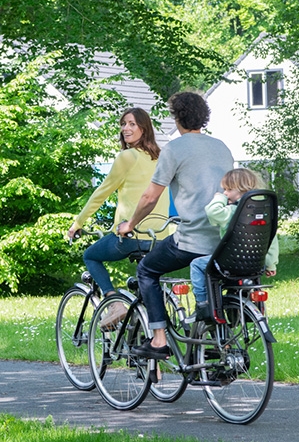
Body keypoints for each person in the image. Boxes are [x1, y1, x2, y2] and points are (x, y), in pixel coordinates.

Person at [117, 91, 233, 360]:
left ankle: (158, 340)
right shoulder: (221, 147)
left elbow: (149, 197)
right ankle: (216, 337)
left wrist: (130, 223)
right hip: (225, 240)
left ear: (177, 117)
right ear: (203, 116)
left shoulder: (174, 149)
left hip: (192, 239)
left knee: (146, 270)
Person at [67, 108, 173, 295]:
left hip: (132, 235)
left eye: (132, 124)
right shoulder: (161, 156)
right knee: (146, 282)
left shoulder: (127, 156)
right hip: (159, 236)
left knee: (90, 256)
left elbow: (102, 192)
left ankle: (113, 302)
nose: (125, 128)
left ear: (144, 128)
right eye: (123, 124)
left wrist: (78, 223)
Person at [189, 167, 279, 321]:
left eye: (228, 189)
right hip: (255, 264)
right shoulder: (263, 213)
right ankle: (241, 305)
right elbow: (270, 239)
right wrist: (271, 264)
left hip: (230, 262)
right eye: (224, 190)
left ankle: (203, 305)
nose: (225, 193)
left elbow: (212, 212)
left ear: (242, 190)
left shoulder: (232, 211)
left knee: (197, 264)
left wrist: (219, 198)